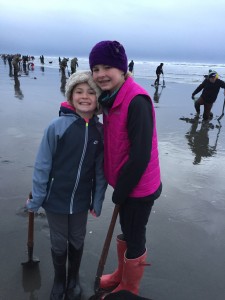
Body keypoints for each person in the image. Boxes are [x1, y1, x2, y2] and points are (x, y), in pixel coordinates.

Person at [89, 41, 162, 296]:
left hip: (139, 186)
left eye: (107, 67)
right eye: (96, 68)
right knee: (127, 230)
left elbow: (140, 155)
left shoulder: (136, 100)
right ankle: (121, 274)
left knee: (134, 235)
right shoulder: (110, 98)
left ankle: (130, 287)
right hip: (125, 183)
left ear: (122, 69)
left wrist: (121, 189)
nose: (100, 74)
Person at [26, 71, 107, 300]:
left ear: (98, 99)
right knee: (59, 241)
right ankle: (60, 279)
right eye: (79, 92)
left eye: (91, 92)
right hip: (55, 199)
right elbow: (42, 165)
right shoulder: (57, 126)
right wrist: (37, 199)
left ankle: (74, 278)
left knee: (77, 239)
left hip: (81, 200)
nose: (84, 96)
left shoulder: (100, 132)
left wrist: (97, 200)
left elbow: (101, 171)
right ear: (71, 96)